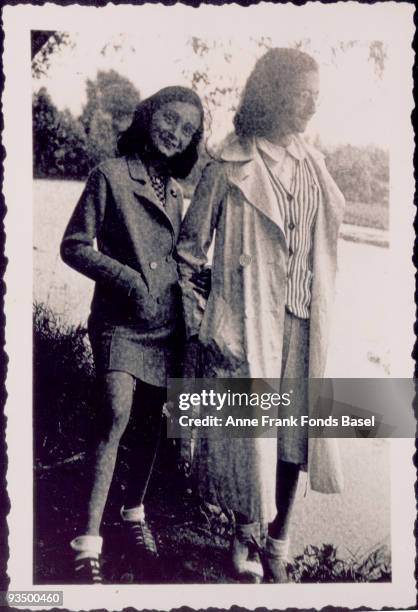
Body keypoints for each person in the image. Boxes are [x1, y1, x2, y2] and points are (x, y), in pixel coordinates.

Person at [176, 48, 345, 583]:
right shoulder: (228, 164)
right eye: (303, 94)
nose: (312, 106)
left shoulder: (311, 164)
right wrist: (212, 316)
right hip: (250, 319)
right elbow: (189, 251)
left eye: (318, 95)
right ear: (273, 92)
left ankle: (280, 538)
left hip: (302, 316)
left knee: (297, 435)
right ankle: (245, 531)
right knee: (251, 433)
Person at [60, 86, 205, 583]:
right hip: (120, 322)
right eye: (170, 119)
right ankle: (87, 543)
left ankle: (133, 516)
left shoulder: (179, 191)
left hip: (167, 326)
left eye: (188, 130)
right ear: (149, 116)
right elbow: (74, 245)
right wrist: (127, 277)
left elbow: (180, 258)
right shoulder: (110, 174)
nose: (176, 133)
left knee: (152, 422)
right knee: (115, 413)